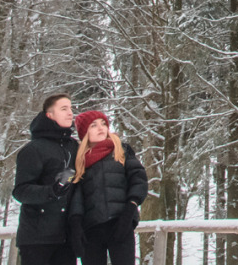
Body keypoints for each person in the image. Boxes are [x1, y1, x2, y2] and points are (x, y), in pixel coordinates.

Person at [68, 109, 149, 265]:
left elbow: (138, 179)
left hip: (121, 223)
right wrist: (76, 224)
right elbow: (76, 196)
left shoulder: (121, 150)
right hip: (91, 228)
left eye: (103, 123)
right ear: (84, 132)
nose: (101, 128)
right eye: (93, 125)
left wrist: (130, 209)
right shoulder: (80, 160)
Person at [13, 94, 81, 265]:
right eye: (63, 109)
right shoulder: (33, 149)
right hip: (37, 238)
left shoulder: (74, 147)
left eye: (71, 108)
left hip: (66, 237)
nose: (70, 113)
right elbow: (21, 191)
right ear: (49, 115)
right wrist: (52, 191)